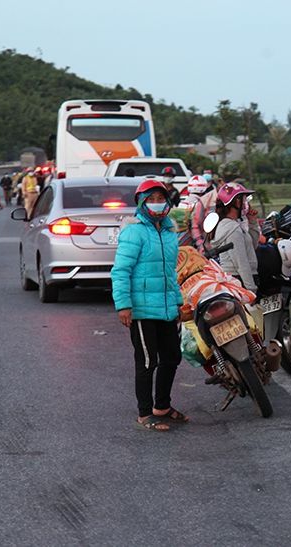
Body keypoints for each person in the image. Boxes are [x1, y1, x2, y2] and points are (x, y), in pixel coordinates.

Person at [111, 178, 186, 432]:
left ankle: (162, 406)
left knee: (172, 357)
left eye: (160, 199)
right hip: (142, 309)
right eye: (151, 200)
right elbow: (120, 271)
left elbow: (170, 273)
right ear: (141, 203)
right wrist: (123, 305)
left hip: (166, 307)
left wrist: (178, 303)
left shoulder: (168, 232)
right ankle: (145, 413)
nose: (156, 204)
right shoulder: (134, 231)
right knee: (146, 361)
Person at [211, 182, 259, 293]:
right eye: (244, 199)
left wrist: (252, 222)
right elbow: (241, 262)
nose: (246, 203)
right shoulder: (232, 229)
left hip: (239, 278)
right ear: (237, 202)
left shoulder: (234, 225)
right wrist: (251, 289)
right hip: (239, 280)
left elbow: (252, 246)